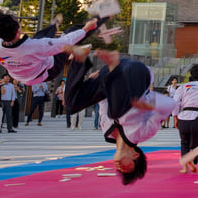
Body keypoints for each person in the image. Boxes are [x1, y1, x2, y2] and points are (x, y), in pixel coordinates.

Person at [63, 45, 175, 185]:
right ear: (135, 155)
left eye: (120, 169)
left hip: (110, 77)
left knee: (71, 104)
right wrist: (148, 104)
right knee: (118, 112)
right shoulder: (143, 133)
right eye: (127, 167)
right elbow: (170, 104)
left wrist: (92, 83)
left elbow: (102, 100)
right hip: (137, 74)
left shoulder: (107, 132)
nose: (120, 167)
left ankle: (80, 58)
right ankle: (114, 66)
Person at [0, 11, 110, 87]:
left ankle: (55, 27)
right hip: (48, 71)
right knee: (70, 34)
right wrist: (85, 29)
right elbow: (66, 41)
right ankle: (104, 16)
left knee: (39, 38)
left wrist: (13, 61)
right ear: (18, 31)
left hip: (22, 76)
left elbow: (1, 59)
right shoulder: (35, 47)